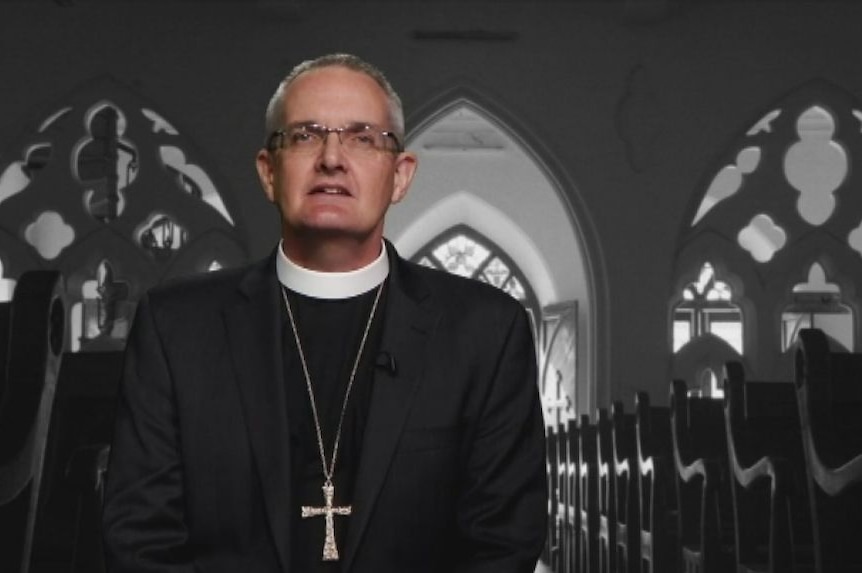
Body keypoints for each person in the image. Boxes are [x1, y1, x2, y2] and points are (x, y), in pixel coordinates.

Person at [102, 53, 547, 573]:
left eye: (362, 137)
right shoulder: (176, 328)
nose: (332, 157)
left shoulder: (485, 331)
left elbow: (503, 544)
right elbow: (140, 540)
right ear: (269, 172)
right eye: (306, 135)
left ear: (400, 176)